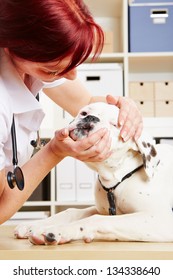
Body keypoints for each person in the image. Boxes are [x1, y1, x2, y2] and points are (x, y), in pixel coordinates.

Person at [0, 0, 143, 224]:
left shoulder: (32, 62)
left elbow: (85, 101)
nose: (72, 76)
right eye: (54, 69)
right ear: (9, 45)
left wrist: (124, 106)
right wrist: (54, 151)